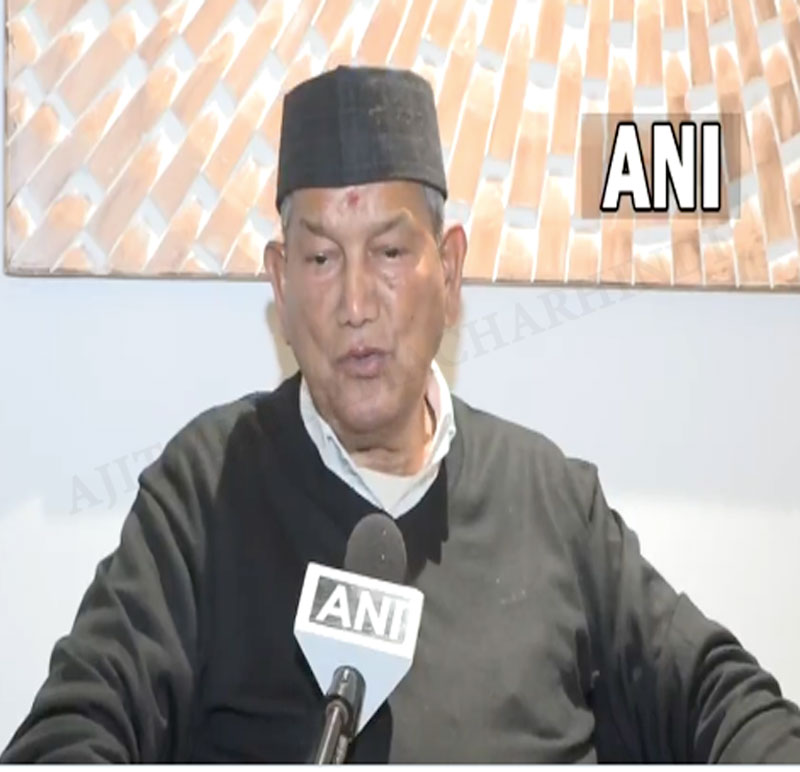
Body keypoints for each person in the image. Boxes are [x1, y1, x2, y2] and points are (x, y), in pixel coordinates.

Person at [2, 65, 799, 764]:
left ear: (448, 271)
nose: (356, 303)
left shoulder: (551, 499)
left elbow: (722, 698)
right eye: (322, 258)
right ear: (280, 283)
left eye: (389, 252)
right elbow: (68, 733)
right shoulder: (204, 491)